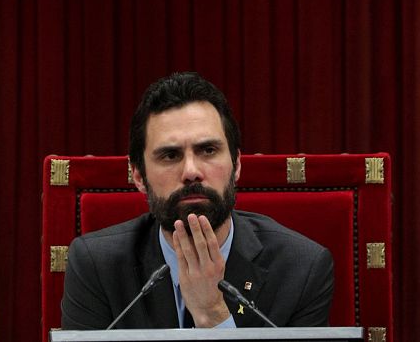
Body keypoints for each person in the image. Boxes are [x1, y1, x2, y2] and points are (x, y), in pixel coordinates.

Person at [61, 72, 334, 330]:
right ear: (138, 176)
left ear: (237, 164)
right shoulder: (97, 266)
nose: (191, 171)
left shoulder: (302, 269)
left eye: (208, 150)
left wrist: (213, 314)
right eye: (170, 155)